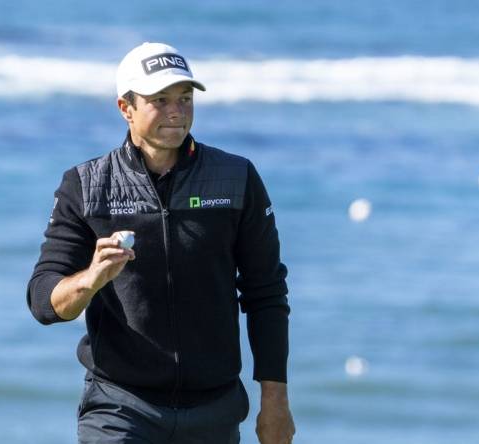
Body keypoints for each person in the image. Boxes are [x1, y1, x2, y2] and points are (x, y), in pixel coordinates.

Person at [27, 42, 295, 444]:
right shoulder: (85, 185)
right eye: (160, 100)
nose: (176, 111)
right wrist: (92, 278)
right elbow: (44, 301)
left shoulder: (236, 178)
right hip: (119, 407)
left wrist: (274, 400)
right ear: (125, 107)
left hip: (214, 410)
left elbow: (266, 293)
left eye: (185, 99)